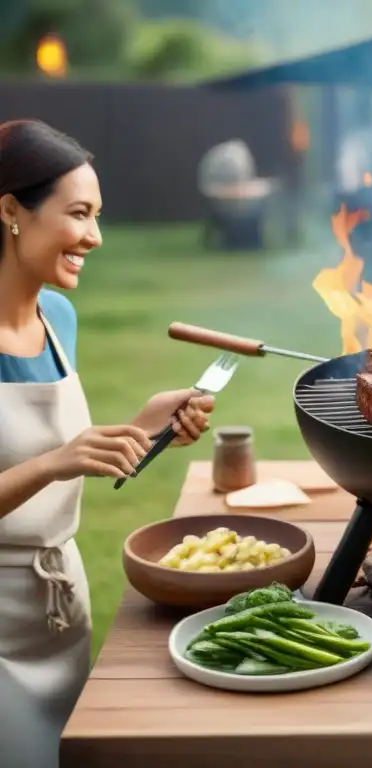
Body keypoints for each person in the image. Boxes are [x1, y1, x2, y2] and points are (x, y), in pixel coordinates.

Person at [0, 120, 216, 767]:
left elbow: (58, 445)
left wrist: (148, 423)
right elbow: (49, 458)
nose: (94, 237)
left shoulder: (56, 317)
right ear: (11, 211)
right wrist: (55, 463)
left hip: (59, 611)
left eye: (97, 216)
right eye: (79, 214)